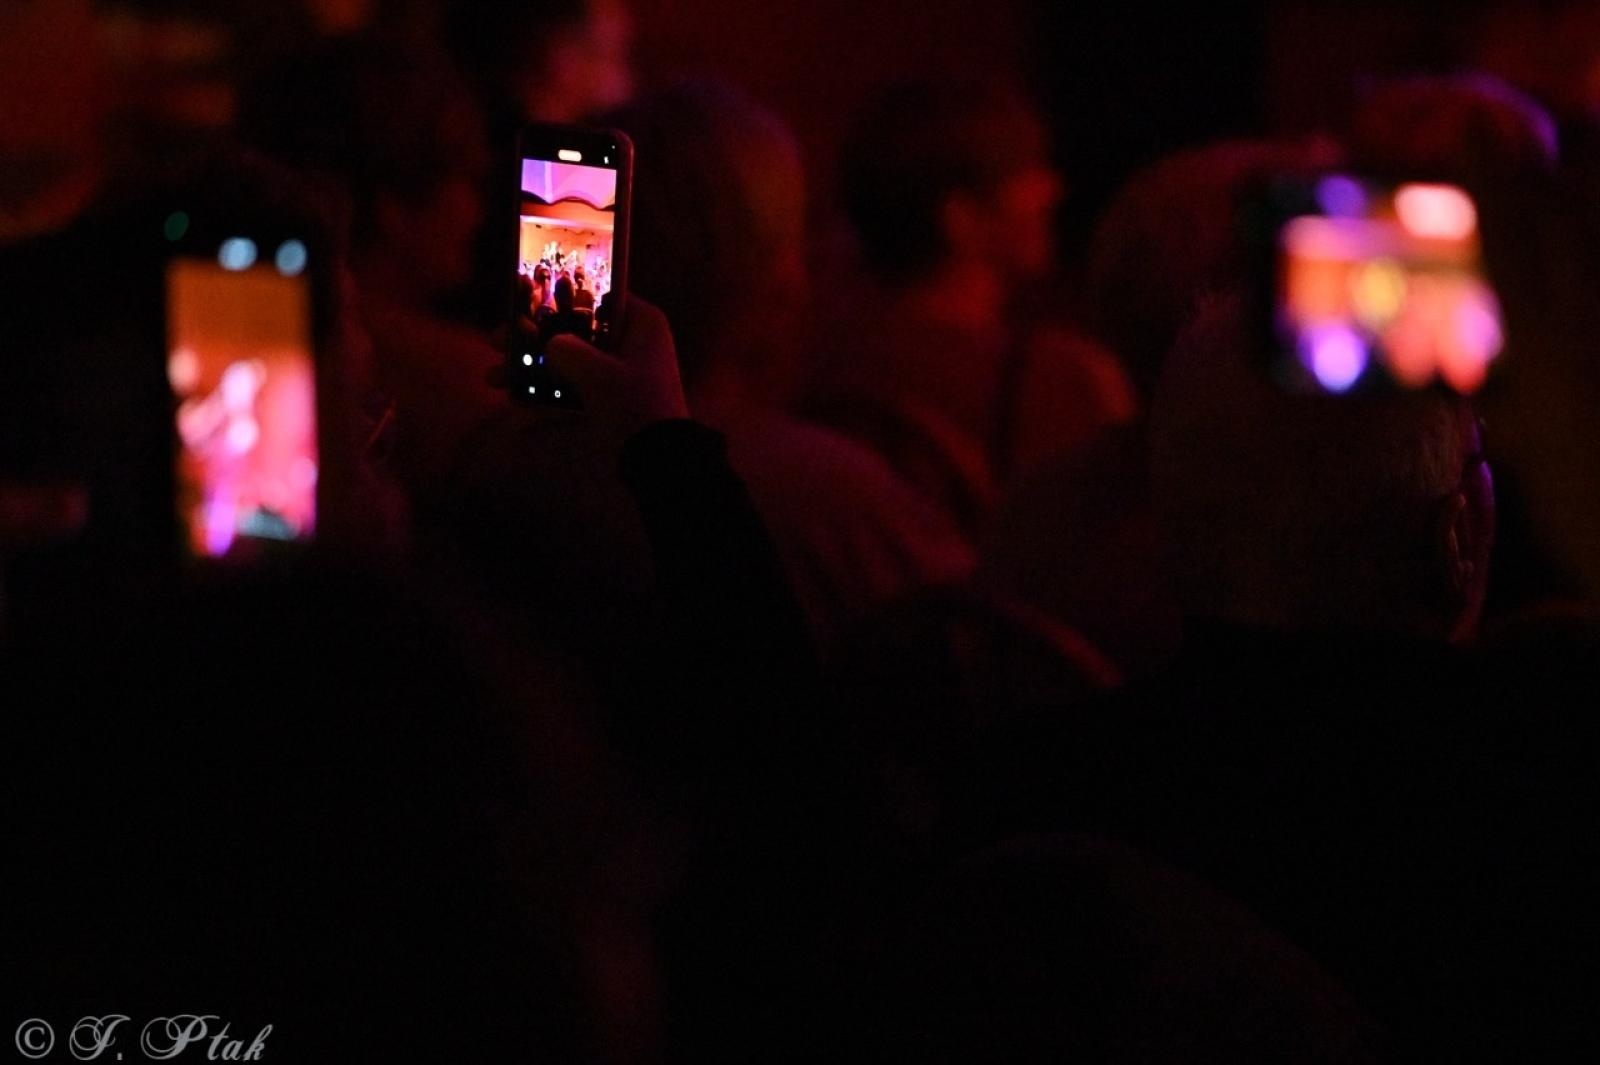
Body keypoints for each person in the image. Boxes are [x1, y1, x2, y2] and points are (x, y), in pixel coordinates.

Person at [807, 78, 1135, 539]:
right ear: (960, 218)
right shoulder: (1063, 378)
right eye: (1025, 170)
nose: (1053, 188)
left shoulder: (812, 363)